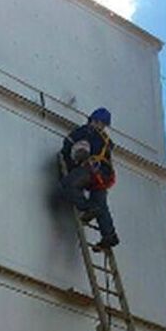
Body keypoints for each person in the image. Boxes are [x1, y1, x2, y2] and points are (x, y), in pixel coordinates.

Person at [59, 107, 119, 250]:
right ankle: (109, 235)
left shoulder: (86, 131)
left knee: (68, 184)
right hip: (104, 176)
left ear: (93, 119)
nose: (101, 126)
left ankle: (87, 208)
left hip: (91, 170)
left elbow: (68, 144)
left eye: (101, 124)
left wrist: (67, 161)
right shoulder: (107, 141)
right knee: (101, 204)